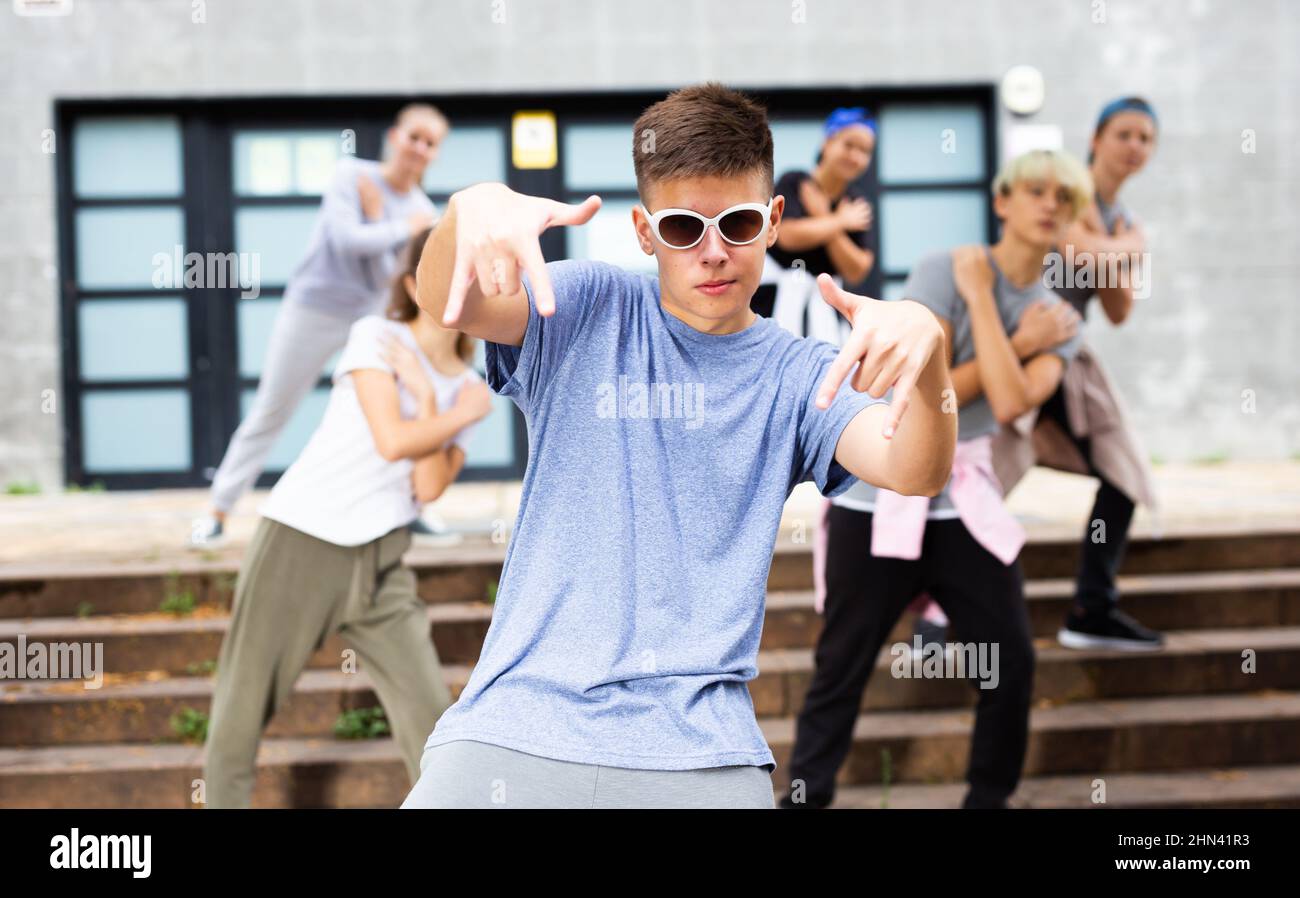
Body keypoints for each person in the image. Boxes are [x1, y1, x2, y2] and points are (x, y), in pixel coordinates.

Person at [399, 82, 956, 809]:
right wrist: (464, 213)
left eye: (739, 223)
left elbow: (914, 470)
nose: (715, 253)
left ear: (773, 220)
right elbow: (453, 299)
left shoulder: (800, 375)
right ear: (644, 231)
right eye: (685, 228)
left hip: (700, 755)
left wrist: (930, 355)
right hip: (513, 725)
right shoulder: (590, 307)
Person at [781, 149, 1092, 810]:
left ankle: (987, 799)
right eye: (1034, 190)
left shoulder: (1059, 314)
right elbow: (924, 386)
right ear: (1002, 201)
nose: (1048, 205)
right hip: (880, 499)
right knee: (842, 664)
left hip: (963, 508)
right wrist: (1010, 339)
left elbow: (1010, 406)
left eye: (1062, 198)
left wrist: (982, 306)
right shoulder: (941, 269)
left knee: (1010, 663)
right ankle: (806, 799)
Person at [202, 228, 492, 808]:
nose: (460, 291)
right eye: (444, 275)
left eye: (472, 279)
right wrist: (454, 411)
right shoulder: (375, 338)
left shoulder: (466, 388)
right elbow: (390, 440)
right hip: (302, 541)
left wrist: (436, 402)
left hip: (384, 558)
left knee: (432, 717)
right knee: (243, 706)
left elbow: (427, 486)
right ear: (415, 284)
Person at [190, 104, 445, 547]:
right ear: (394, 136)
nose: (419, 148)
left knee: (398, 407)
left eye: (430, 143)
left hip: (370, 318)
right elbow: (346, 243)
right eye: (414, 137)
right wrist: (397, 227)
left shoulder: (422, 209)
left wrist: (381, 222)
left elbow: (386, 277)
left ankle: (412, 508)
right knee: (273, 407)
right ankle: (217, 512)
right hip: (313, 310)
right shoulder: (352, 177)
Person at [1038, 96, 1164, 651]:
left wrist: (1114, 247)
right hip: (1015, 345)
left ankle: (1092, 608)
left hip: (1065, 357)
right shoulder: (1064, 190)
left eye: (1145, 137)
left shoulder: (1122, 219)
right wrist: (1131, 250)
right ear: (1096, 138)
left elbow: (1117, 309)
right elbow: (1073, 246)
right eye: (1124, 134)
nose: (1135, 146)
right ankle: (934, 625)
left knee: (1122, 476)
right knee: (971, 479)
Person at [763, 106, 876, 343]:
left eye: (865, 151)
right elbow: (786, 235)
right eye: (849, 145)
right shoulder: (794, 181)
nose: (855, 156)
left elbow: (857, 268)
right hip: (773, 305)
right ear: (827, 142)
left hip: (827, 312)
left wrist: (825, 218)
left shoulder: (856, 203)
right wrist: (840, 221)